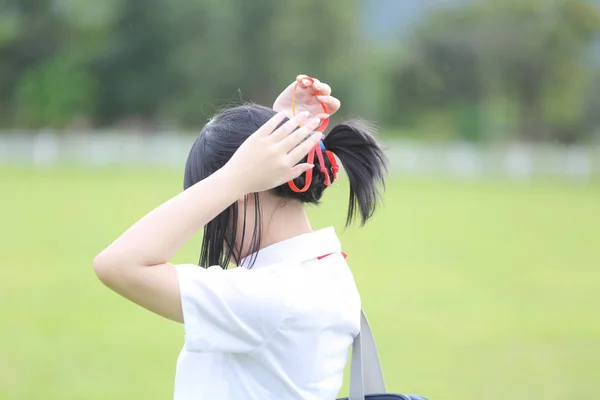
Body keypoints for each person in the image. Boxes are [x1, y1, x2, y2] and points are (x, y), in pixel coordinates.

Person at [93, 75, 388, 400]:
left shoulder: (272, 296)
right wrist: (278, 135)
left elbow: (117, 265)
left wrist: (234, 178)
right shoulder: (321, 272)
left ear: (245, 189)